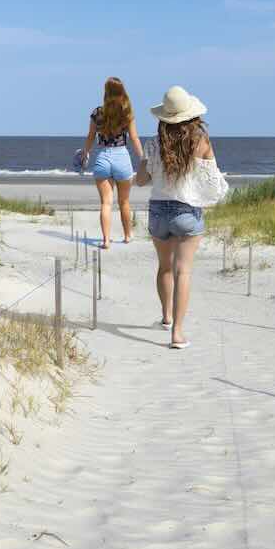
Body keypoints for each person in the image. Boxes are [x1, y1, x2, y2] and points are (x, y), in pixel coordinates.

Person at [135, 85, 228, 350]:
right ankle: (177, 332)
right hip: (186, 212)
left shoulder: (154, 144)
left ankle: (165, 317)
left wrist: (148, 163)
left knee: (164, 267)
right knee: (182, 271)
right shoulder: (200, 141)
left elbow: (141, 180)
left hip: (158, 211)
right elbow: (213, 180)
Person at [78, 77, 144, 248]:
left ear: (106, 92)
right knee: (124, 202)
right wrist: (143, 158)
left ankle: (106, 240)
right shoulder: (126, 112)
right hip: (121, 156)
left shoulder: (97, 112)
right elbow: (134, 138)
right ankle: (128, 235)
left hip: (103, 157)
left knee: (106, 202)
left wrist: (85, 153)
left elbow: (91, 137)